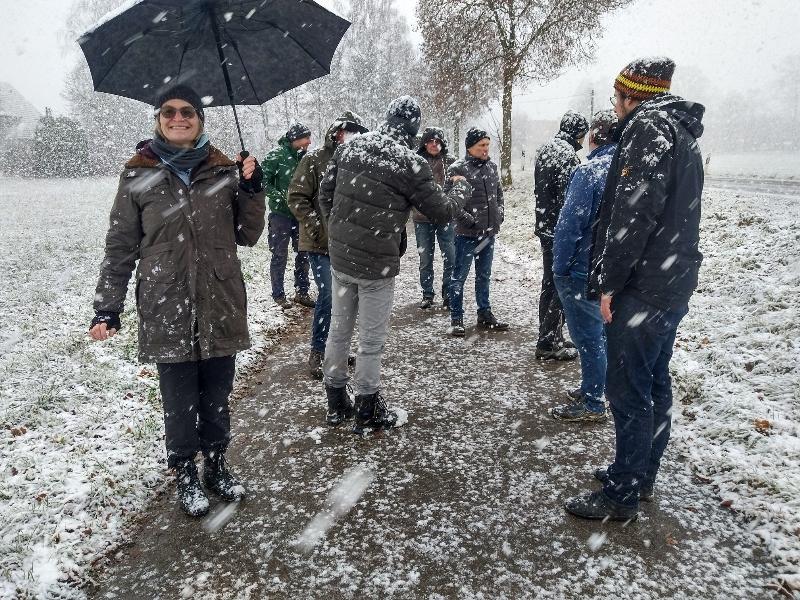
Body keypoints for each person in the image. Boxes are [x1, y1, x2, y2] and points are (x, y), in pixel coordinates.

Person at [89, 84, 266, 517]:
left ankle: (217, 464)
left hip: (219, 297)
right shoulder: (138, 174)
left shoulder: (225, 169)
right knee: (179, 394)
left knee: (218, 391)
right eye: (169, 111)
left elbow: (249, 234)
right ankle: (186, 470)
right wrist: (107, 307)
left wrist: (253, 188)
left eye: (187, 110)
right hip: (165, 298)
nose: (178, 117)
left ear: (200, 120)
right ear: (158, 119)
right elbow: (120, 245)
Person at [564, 57, 705, 521]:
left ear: (630, 96)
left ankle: (622, 494)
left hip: (644, 285)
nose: (615, 106)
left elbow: (633, 217)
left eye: (616, 97)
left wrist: (609, 285)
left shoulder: (647, 129)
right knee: (654, 382)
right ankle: (640, 473)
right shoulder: (682, 134)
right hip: (672, 280)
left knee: (627, 389)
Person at [318, 96, 472, 432]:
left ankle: (335, 402)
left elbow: (324, 193)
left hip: (341, 260)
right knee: (371, 340)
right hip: (377, 266)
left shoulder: (350, 149)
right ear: (414, 128)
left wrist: (336, 233)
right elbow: (442, 210)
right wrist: (461, 190)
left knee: (339, 330)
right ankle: (367, 407)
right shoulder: (409, 163)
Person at [287, 111, 369, 379]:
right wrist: (317, 228)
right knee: (329, 295)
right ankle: (318, 350)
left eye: (357, 132)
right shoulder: (314, 160)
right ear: (336, 133)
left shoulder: (360, 161)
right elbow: (296, 197)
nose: (353, 136)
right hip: (320, 244)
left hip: (349, 244)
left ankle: (340, 349)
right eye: (349, 131)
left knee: (347, 299)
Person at [549, 110, 618, 422]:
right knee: (600, 334)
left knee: (587, 337)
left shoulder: (590, 172)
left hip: (583, 269)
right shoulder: (628, 170)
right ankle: (595, 386)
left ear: (593, 138)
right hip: (613, 269)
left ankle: (592, 402)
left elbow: (569, 226)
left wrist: (559, 267)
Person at [533, 110, 589, 360]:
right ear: (577, 133)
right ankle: (548, 341)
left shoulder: (546, 150)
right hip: (560, 231)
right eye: (582, 135)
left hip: (545, 227)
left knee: (549, 283)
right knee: (561, 286)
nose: (583, 140)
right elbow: (570, 199)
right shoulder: (568, 157)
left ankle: (549, 334)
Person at [446, 127, 509, 337]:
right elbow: (451, 202)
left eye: (487, 145)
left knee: (484, 276)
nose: (485, 149)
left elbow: (498, 194)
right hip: (466, 235)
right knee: (459, 277)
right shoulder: (457, 169)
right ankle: (456, 318)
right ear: (470, 147)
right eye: (481, 145)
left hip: (488, 234)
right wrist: (470, 221)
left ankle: (484, 313)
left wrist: (499, 213)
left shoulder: (491, 167)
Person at [262, 122, 315, 310]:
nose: (309, 141)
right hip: (280, 216)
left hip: (300, 215)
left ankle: (302, 292)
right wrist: (283, 198)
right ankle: (278, 295)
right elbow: (264, 182)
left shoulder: (305, 159)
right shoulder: (275, 156)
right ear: (296, 139)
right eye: (306, 138)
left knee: (303, 254)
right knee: (279, 255)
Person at [413, 127, 456, 310]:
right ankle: (427, 294)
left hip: (446, 218)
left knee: (451, 258)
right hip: (422, 218)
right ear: (424, 142)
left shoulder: (451, 163)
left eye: (437, 141)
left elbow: (459, 188)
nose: (434, 144)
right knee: (426, 259)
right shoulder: (416, 162)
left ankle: (448, 294)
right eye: (430, 141)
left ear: (442, 143)